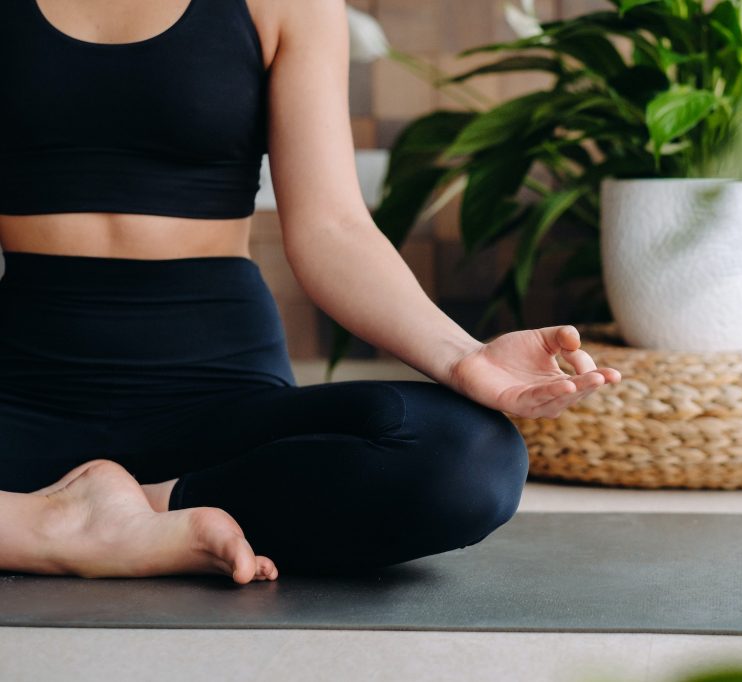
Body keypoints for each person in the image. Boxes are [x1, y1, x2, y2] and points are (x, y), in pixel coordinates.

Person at [0, 0, 621, 584]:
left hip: (217, 404)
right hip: (21, 396)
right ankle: (43, 527)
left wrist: (463, 356)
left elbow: (332, 229)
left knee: (469, 456)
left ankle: (136, 510)